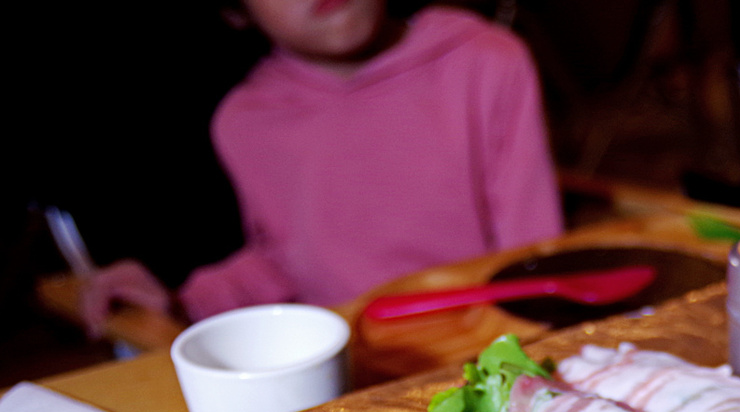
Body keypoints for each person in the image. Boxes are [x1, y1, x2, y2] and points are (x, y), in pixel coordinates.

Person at [81, 0, 564, 336]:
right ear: (234, 11)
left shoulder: (486, 60)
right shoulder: (245, 119)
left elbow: (535, 257)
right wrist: (181, 301)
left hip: (484, 354)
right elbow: (286, 259)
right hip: (346, 376)